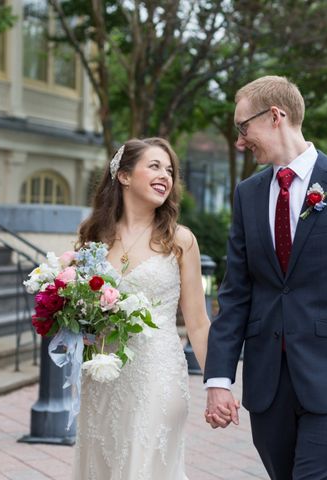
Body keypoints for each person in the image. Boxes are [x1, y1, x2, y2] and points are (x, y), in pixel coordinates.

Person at [204, 76, 327, 480]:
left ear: (276, 116)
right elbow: (237, 292)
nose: (240, 141)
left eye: (243, 127)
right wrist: (218, 379)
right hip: (267, 385)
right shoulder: (248, 193)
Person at [72, 137, 210, 479]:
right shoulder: (93, 237)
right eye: (154, 166)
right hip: (104, 374)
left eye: (169, 169)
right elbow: (80, 308)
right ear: (124, 176)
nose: (165, 174)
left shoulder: (180, 240)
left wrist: (216, 384)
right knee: (104, 462)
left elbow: (198, 323)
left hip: (157, 372)